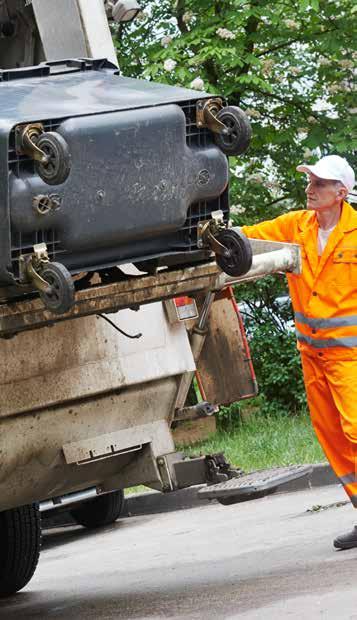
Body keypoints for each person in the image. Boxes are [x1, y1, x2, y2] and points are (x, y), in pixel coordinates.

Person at [240, 154, 357, 549]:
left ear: (341, 192)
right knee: (333, 439)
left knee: (356, 431)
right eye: (309, 181)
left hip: (351, 359)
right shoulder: (296, 227)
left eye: (320, 183)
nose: (310, 189)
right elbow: (247, 237)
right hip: (314, 358)